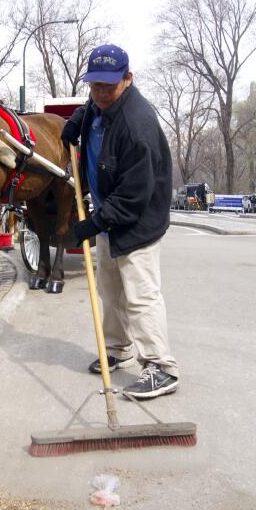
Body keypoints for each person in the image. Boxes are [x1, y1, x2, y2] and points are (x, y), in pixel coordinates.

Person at [60, 44, 179, 399]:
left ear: (128, 79)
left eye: (108, 86)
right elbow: (92, 105)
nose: (100, 93)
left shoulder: (137, 126)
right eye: (94, 85)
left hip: (137, 221)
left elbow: (133, 198)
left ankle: (161, 367)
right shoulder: (100, 104)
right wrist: (77, 120)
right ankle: (118, 348)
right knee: (109, 289)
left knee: (140, 295)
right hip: (111, 215)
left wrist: (95, 223)